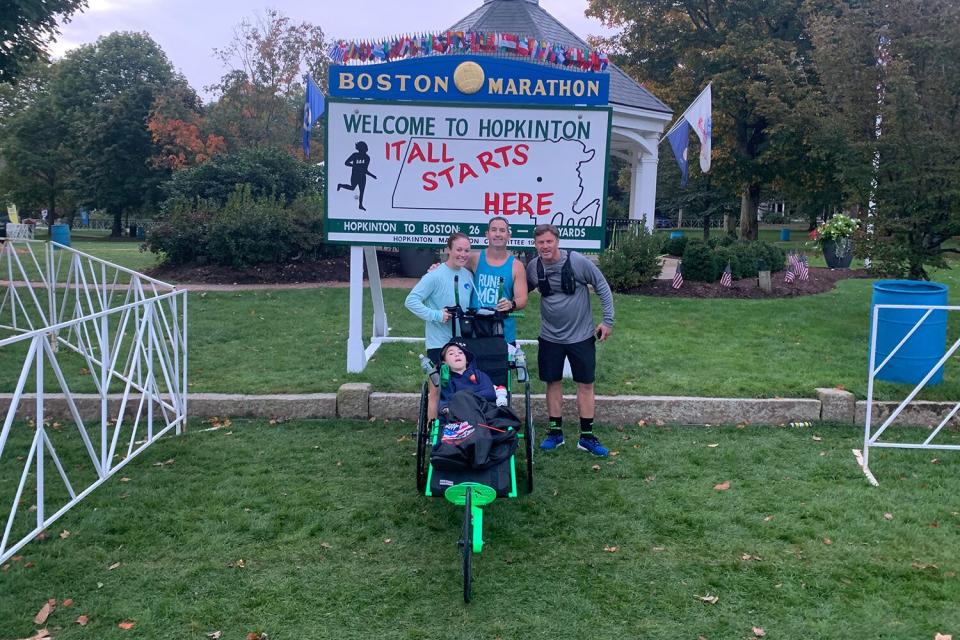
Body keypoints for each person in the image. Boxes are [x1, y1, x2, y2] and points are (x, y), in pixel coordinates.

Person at [526, 223, 615, 457]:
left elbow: (602, 286)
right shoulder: (534, 267)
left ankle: (586, 437)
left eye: (548, 241)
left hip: (581, 335)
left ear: (557, 241)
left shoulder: (576, 262)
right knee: (552, 382)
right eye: (540, 242)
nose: (545, 246)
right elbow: (516, 289)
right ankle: (555, 433)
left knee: (585, 384)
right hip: (550, 337)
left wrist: (608, 321)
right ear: (535, 245)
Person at [405, 233, 474, 420]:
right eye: (458, 249)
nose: (462, 254)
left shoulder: (468, 276)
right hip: (439, 343)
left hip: (462, 342)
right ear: (448, 250)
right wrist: (436, 315)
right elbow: (411, 301)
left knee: (462, 388)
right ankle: (432, 431)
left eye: (466, 250)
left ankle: (459, 427)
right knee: (437, 389)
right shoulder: (434, 276)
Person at [469, 216, 528, 346]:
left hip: (503, 331)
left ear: (508, 235)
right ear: (487, 234)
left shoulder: (516, 266)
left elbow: (522, 299)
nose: (497, 234)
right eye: (494, 230)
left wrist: (511, 304)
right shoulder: (474, 259)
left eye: (502, 230)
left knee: (501, 366)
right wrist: (437, 267)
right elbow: (453, 268)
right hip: (476, 329)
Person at [437, 342, 506, 415]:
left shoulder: (478, 374)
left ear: (466, 360)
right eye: (451, 353)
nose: (457, 354)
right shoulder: (447, 380)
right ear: (445, 362)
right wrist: (444, 408)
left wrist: (466, 398)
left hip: (484, 410)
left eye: (460, 352)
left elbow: (490, 392)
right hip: (461, 413)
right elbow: (446, 399)